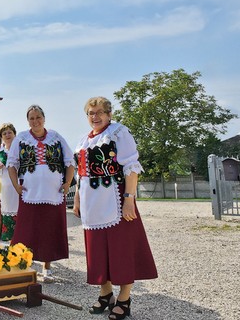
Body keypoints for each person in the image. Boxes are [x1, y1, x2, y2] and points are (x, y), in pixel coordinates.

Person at [73, 97, 157, 319]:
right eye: (91, 113)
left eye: (100, 112)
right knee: (98, 251)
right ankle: (106, 294)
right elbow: (82, 175)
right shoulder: (83, 140)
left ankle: (124, 298)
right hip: (92, 205)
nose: (95, 116)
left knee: (122, 249)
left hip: (116, 201)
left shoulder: (119, 132)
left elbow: (131, 166)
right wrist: (77, 199)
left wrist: (129, 198)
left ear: (109, 114)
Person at [7, 105, 75, 281]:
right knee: (27, 228)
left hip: (54, 193)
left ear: (44, 118)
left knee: (49, 229)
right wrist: (16, 185)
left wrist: (67, 183)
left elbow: (70, 162)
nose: (35, 121)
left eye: (38, 117)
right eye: (31, 118)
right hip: (30, 192)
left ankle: (47, 267)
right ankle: (23, 265)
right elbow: (12, 164)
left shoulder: (56, 137)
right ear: (27, 120)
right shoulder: (21, 138)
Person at [0, 123, 18, 241]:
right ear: (1, 137)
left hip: (18, 186)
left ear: (14, 134)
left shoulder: (20, 149)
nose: (7, 135)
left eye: (10, 132)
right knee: (5, 209)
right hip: (3, 187)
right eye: (4, 133)